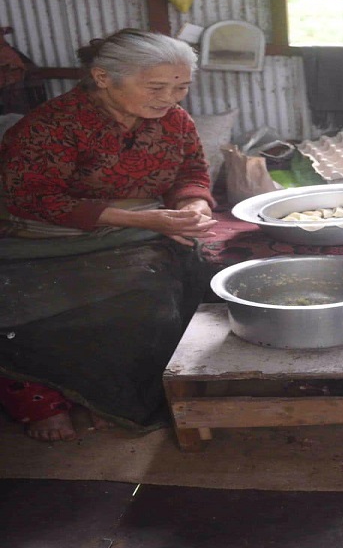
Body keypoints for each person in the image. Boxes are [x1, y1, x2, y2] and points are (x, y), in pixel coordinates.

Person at [0, 28, 216, 442]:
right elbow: (32, 198)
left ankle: (110, 398)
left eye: (181, 87)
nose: (169, 98)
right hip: (39, 237)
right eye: (155, 86)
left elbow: (191, 173)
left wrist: (193, 207)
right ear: (102, 78)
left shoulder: (174, 120)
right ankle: (43, 399)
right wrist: (149, 222)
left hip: (137, 226)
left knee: (164, 287)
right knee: (43, 309)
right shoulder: (52, 125)